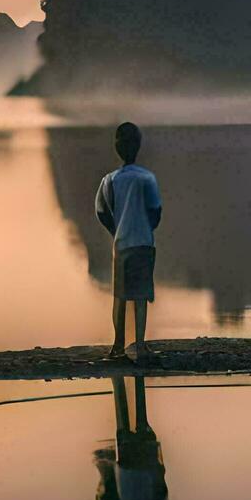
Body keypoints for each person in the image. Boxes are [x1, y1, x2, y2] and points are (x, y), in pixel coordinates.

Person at [95, 122, 161, 362]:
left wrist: (115, 229)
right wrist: (146, 227)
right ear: (139, 147)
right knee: (141, 296)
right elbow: (156, 210)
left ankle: (118, 346)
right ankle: (141, 346)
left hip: (122, 244)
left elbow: (101, 211)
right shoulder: (147, 178)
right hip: (143, 242)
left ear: (117, 149)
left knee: (120, 297)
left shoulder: (110, 180)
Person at [93, 374, 168, 500]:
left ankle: (124, 379)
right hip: (127, 472)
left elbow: (161, 497)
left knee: (140, 424)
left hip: (146, 471)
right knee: (124, 426)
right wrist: (105, 469)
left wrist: (160, 469)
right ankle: (123, 380)